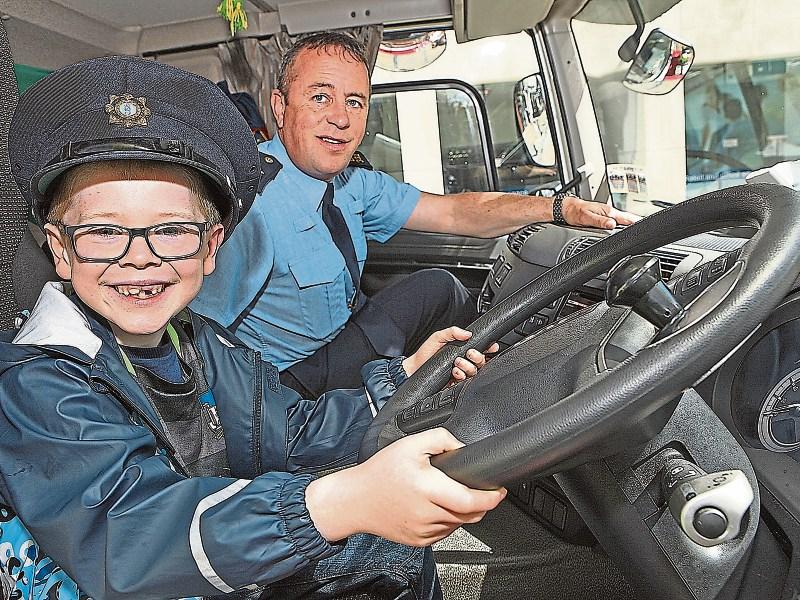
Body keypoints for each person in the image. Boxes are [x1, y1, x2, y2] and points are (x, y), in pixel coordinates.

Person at [0, 55, 505, 600]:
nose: (139, 258)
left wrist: (404, 379)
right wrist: (338, 502)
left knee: (394, 552)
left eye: (171, 231)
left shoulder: (198, 342)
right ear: (61, 251)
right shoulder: (37, 381)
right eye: (103, 232)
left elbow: (287, 428)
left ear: (213, 247)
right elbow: (127, 533)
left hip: (217, 552)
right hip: (140, 575)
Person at [192, 32, 637, 398]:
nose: (341, 119)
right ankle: (502, 397)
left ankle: (490, 385)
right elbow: (201, 333)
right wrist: (250, 431)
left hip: (344, 332)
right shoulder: (249, 201)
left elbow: (458, 213)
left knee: (438, 288)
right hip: (293, 383)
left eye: (354, 102)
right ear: (279, 107)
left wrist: (558, 208)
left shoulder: (351, 182)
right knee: (436, 294)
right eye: (320, 98)